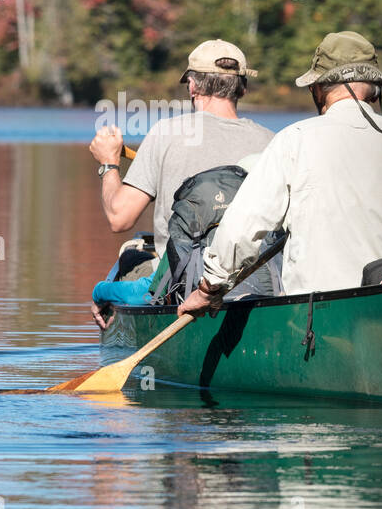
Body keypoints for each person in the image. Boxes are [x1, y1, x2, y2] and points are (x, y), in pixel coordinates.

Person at [178, 31, 382, 317]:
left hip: (319, 314)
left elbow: (241, 229)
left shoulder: (293, 139)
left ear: (320, 87)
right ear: (375, 88)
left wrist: (208, 288)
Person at [87, 40, 274, 324]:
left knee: (130, 257)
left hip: (182, 286)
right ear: (243, 88)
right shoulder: (273, 143)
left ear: (192, 86)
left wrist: (109, 163)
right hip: (257, 285)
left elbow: (119, 219)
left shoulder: (166, 134)